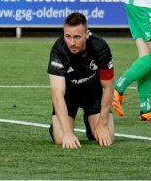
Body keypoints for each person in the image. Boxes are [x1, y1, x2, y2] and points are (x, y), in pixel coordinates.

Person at [47, 12, 115, 148]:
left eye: (77, 37)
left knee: (105, 137)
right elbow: (57, 95)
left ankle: (91, 121)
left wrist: (102, 124)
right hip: (69, 95)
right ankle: (57, 126)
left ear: (87, 34)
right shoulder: (58, 51)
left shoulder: (101, 47)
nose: (72, 42)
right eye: (68, 36)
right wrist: (67, 132)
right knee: (61, 139)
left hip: (93, 93)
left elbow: (108, 87)